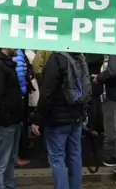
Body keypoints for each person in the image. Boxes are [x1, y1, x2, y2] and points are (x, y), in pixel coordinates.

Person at [32, 52, 91, 189]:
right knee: (75, 156)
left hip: (57, 119)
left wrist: (37, 119)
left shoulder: (56, 59)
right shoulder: (80, 57)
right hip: (76, 117)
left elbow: (47, 93)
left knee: (57, 158)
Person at [0, 48, 25, 189]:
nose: (18, 49)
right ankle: (0, 186)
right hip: (6, 121)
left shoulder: (5, 64)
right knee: (2, 160)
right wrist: (6, 117)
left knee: (8, 159)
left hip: (12, 120)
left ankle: (8, 185)